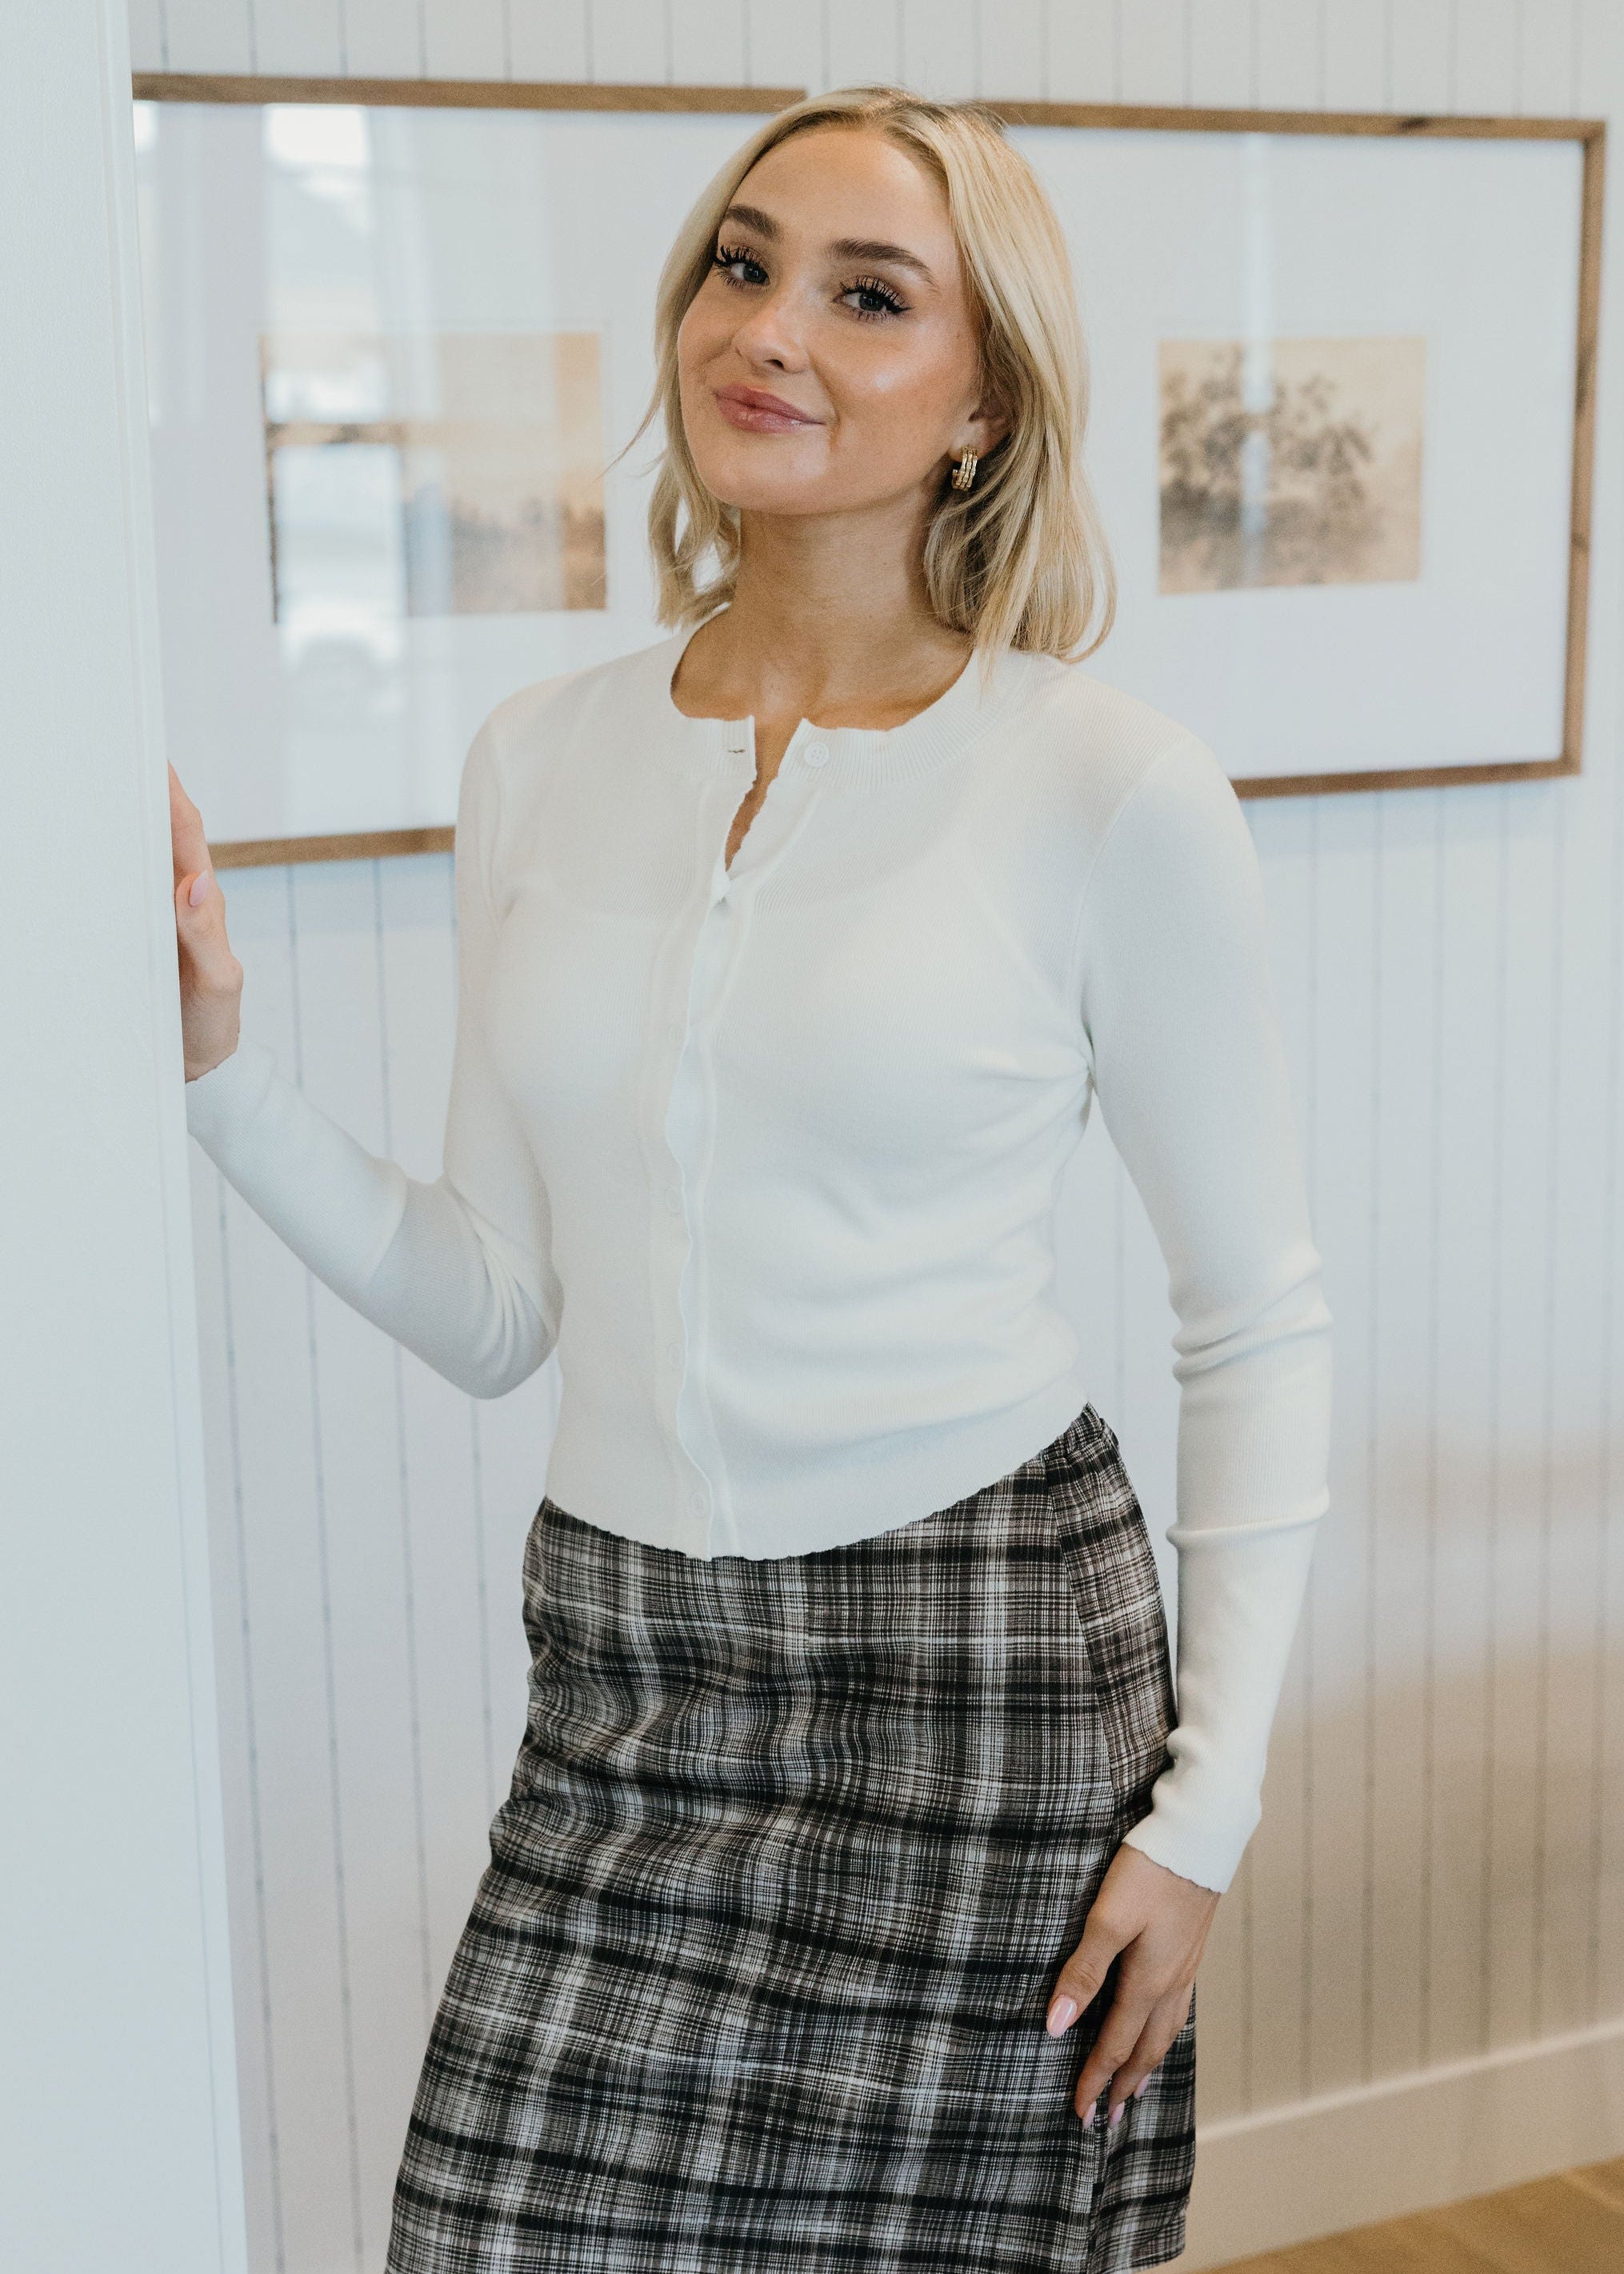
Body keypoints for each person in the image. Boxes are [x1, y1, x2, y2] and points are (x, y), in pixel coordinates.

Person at [170, 85, 1332, 2274]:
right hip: (627, 1676)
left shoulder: (1108, 788)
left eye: (867, 293)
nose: (771, 326)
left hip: (980, 1675)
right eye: (744, 262)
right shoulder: (539, 756)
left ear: (982, 400)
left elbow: (1256, 1313)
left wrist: (1207, 1814)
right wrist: (220, 1077)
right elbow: (504, 1299)